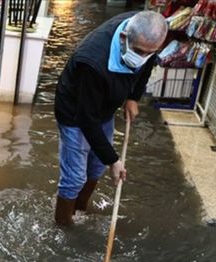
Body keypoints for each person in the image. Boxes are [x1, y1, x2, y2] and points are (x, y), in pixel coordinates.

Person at [53, 10, 168, 226]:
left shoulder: (145, 33)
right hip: (75, 111)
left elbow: (146, 66)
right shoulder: (92, 61)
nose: (142, 57)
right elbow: (87, 119)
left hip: (104, 107)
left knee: (96, 167)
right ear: (124, 38)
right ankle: (63, 226)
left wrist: (133, 97)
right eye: (139, 51)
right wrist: (114, 160)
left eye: (149, 52)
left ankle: (80, 211)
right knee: (75, 177)